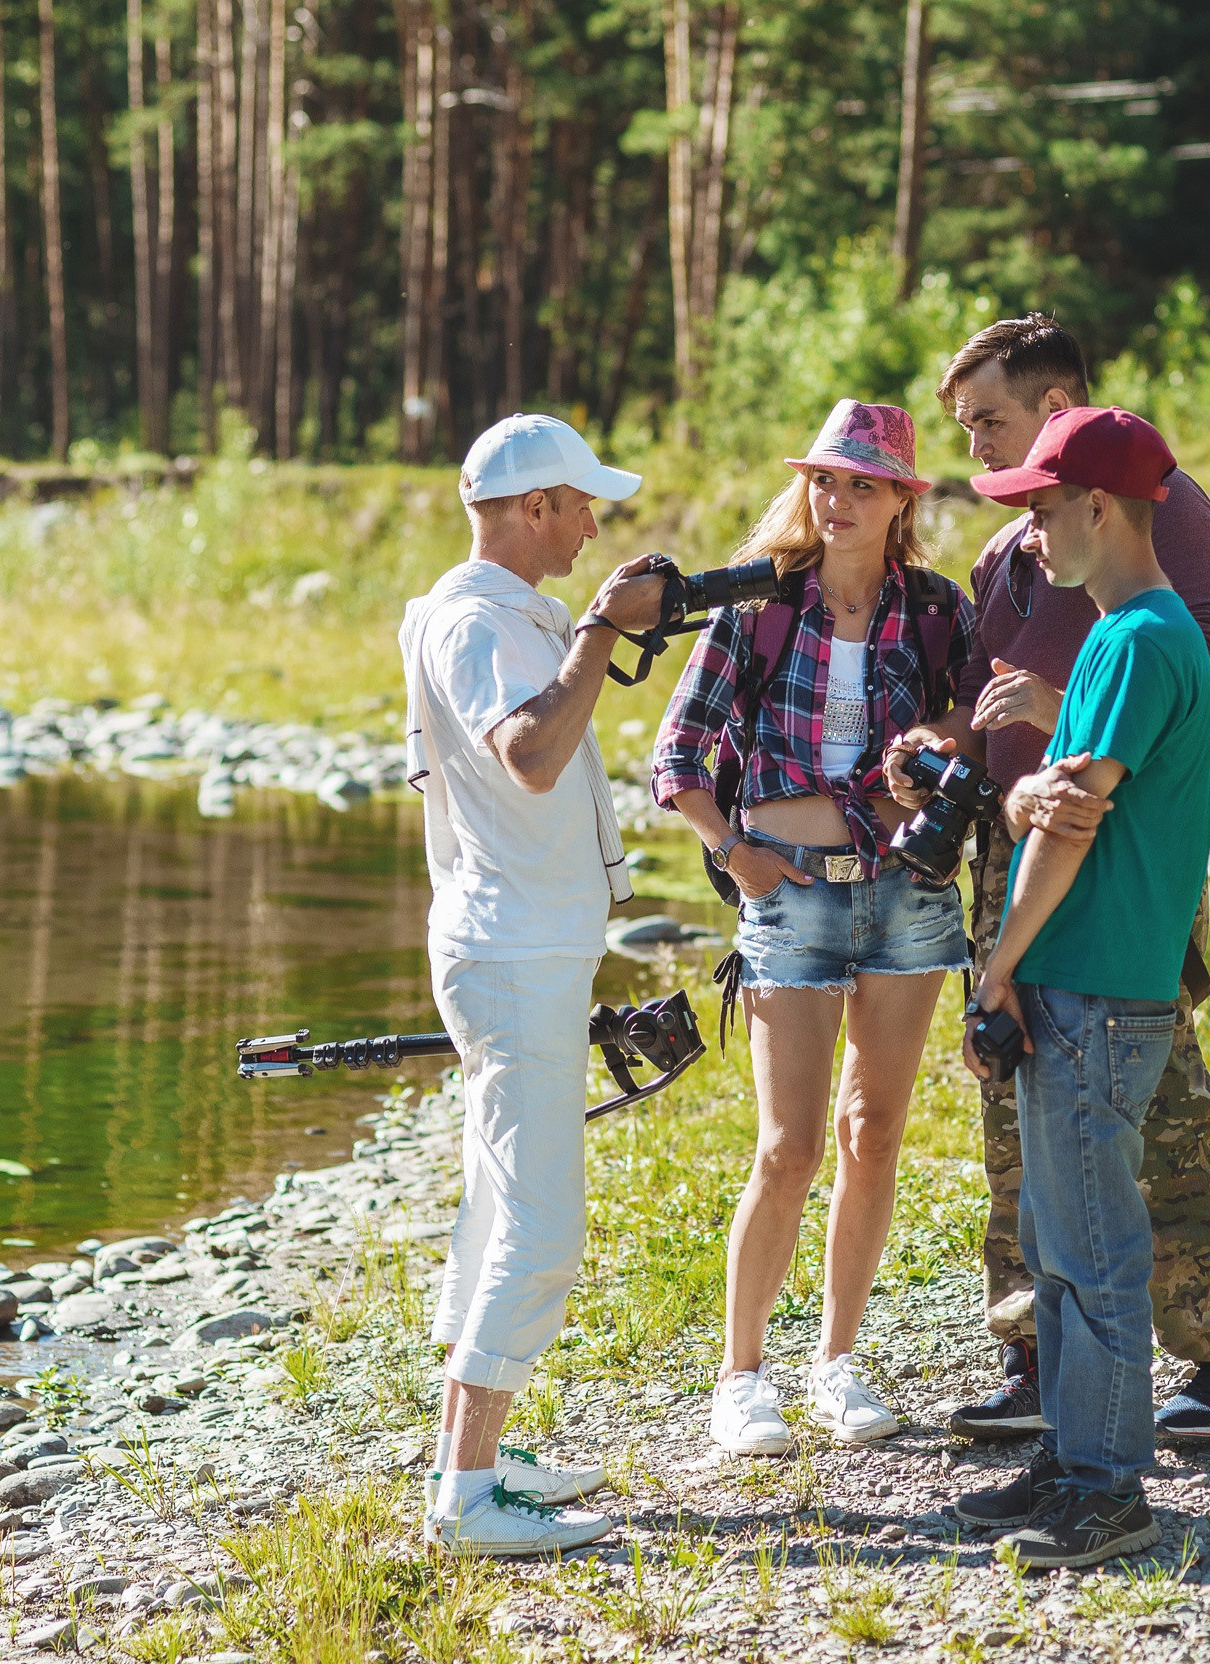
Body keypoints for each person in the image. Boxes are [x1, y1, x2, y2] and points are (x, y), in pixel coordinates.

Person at [888, 314, 1210, 1446]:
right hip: (1008, 844)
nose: (975, 457)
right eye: (964, 432)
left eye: (993, 423)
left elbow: (1205, 662)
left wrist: (1074, 722)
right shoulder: (1013, 547)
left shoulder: (1153, 509)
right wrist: (941, 751)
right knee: (1015, 1108)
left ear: (1060, 398)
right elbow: (981, 697)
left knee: (1153, 1106)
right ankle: (1035, 1354)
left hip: (1110, 844)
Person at [652, 400, 977, 1457]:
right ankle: (739, 1381)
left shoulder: (934, 610)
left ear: (901, 502)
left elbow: (976, 723)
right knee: (787, 1147)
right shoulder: (755, 607)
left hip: (906, 896)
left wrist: (939, 742)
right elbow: (676, 757)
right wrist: (730, 850)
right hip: (786, 896)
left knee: (873, 1131)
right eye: (825, 482)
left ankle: (837, 1363)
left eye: (863, 485)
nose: (837, 501)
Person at [949, 406, 1210, 1568]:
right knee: (1058, 1237)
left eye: (1045, 510)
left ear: (1101, 509)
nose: (1030, 533)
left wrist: (994, 965)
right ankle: (1071, 1448)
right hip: (1081, 981)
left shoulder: (1139, 638)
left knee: (1094, 1243)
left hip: (1098, 986)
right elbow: (1048, 798)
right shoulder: (1123, 639)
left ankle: (1111, 1489)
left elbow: (1068, 820)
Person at [404, 413, 671, 1556]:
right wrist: (606, 626)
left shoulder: (489, 610)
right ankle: (464, 1500)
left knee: (493, 1206)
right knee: (539, 1225)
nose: (593, 523)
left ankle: (480, 1457)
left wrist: (595, 626)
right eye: (580, 505)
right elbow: (530, 752)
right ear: (530, 510)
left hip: (515, 941)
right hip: (513, 952)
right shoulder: (474, 620)